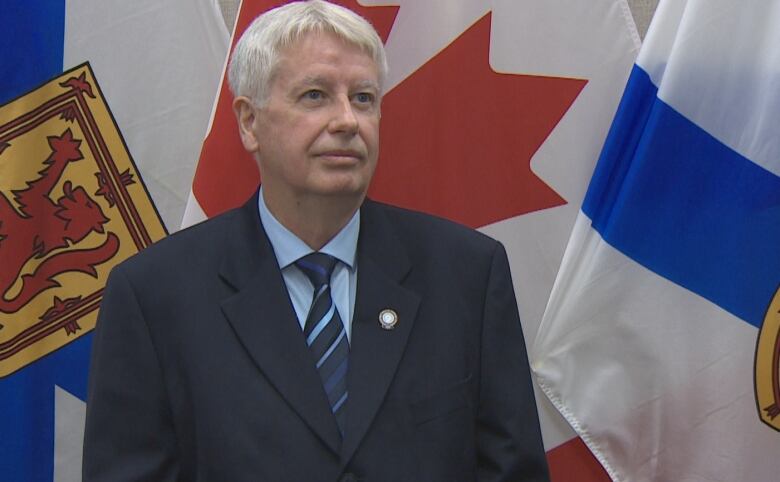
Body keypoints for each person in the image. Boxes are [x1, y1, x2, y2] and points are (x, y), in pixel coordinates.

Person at [83, 1, 549, 480]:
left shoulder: (466, 273)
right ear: (248, 122)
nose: (347, 121)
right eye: (315, 96)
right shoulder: (154, 296)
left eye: (364, 98)